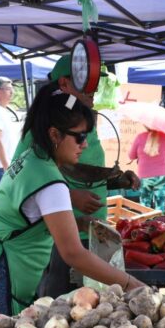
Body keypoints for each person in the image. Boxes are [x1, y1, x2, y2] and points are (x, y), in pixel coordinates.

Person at [0, 82, 144, 328]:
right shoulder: (49, 179)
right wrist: (132, 285)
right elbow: (73, 253)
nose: (84, 145)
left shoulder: (33, 159)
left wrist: (77, 222)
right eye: (80, 136)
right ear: (55, 134)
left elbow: (30, 218)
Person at [11, 55, 140, 299]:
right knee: (60, 304)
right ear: (64, 84)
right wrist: (70, 197)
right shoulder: (46, 127)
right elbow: (27, 179)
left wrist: (116, 180)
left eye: (96, 82)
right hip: (61, 237)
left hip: (91, 231)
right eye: (86, 81)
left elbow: (83, 172)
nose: (94, 89)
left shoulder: (81, 122)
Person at [128, 127, 165, 211]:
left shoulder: (139, 137)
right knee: (160, 205)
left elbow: (131, 156)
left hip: (144, 176)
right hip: (162, 176)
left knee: (144, 205)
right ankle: (159, 222)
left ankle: (145, 222)